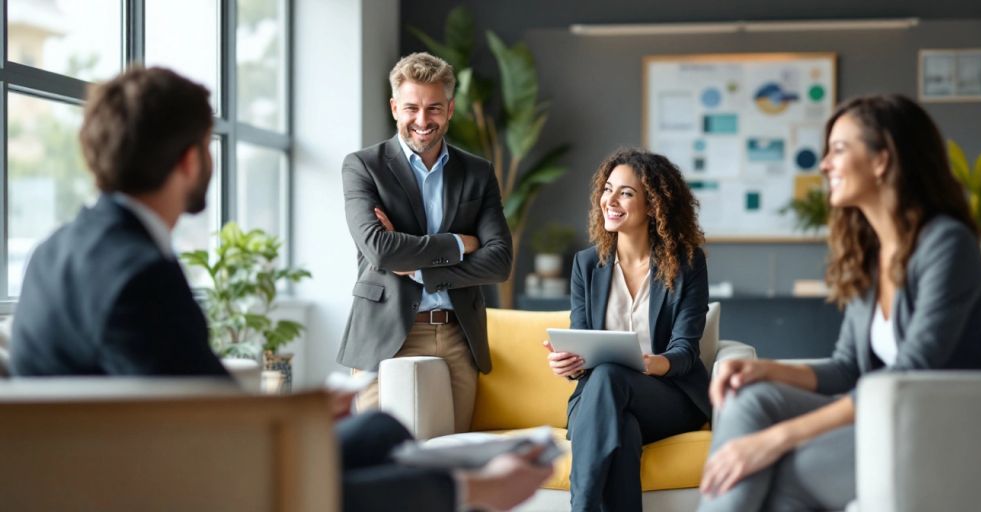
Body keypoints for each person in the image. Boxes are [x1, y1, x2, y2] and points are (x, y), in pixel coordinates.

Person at [9, 66, 549, 512]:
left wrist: (303, 408)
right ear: (191, 160)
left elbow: (180, 391)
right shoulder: (139, 275)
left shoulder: (58, 250)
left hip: (131, 457)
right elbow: (218, 442)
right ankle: (470, 492)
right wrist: (468, 487)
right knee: (442, 471)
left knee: (381, 430)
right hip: (169, 483)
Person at [698, 94, 981, 511]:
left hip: (950, 429)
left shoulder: (946, 244)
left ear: (882, 160)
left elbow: (909, 374)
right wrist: (763, 369)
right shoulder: (873, 252)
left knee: (779, 466)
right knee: (750, 396)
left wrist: (773, 440)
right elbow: (848, 367)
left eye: (839, 150)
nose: (825, 164)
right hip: (894, 414)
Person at [339, 52, 512, 433]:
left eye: (434, 108)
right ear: (394, 108)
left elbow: (499, 261)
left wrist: (419, 268)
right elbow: (380, 250)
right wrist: (459, 243)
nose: (422, 120)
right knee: (380, 458)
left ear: (450, 109)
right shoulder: (363, 166)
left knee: (449, 461)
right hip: (385, 333)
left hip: (455, 334)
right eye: (411, 108)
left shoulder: (477, 172)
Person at [544, 148, 711, 511]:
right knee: (622, 428)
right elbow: (583, 339)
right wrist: (569, 364)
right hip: (599, 403)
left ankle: (582, 507)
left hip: (667, 396)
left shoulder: (687, 265)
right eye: (607, 189)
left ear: (653, 206)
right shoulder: (586, 265)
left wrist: (649, 363)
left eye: (626, 193)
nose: (610, 200)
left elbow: (685, 351)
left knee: (609, 376)